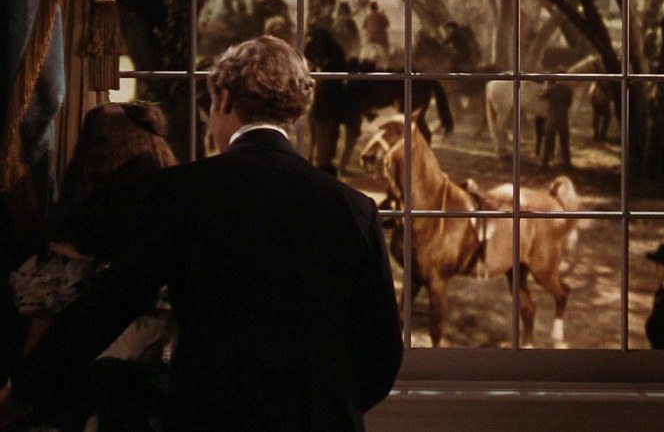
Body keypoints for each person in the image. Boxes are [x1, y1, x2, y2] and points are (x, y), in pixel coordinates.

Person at [1, 36, 404, 431]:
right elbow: (382, 352)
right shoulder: (354, 209)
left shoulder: (180, 192)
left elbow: (110, 305)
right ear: (296, 112)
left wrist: (24, 389)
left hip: (213, 415)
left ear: (224, 99)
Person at [5, 101, 179, 431]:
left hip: (81, 408)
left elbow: (39, 348)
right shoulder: (173, 241)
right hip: (158, 407)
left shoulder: (64, 259)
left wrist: (17, 399)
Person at [539, 77, 574, 171]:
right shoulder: (568, 90)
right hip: (563, 120)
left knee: (548, 144)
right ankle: (567, 164)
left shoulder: (551, 89)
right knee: (564, 144)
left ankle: (545, 164)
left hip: (552, 120)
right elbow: (569, 103)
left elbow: (541, 97)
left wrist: (545, 86)